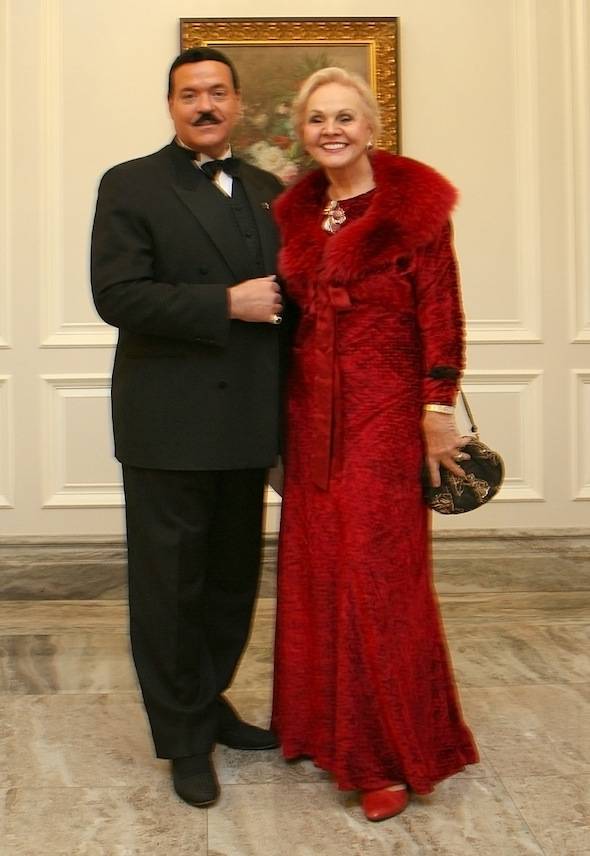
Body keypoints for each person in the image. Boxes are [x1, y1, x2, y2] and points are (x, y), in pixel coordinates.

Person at [271, 67, 479, 822]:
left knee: (378, 578)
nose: (331, 129)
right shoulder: (293, 213)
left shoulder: (415, 210)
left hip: (385, 421)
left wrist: (436, 406)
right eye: (318, 118)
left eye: (345, 117)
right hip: (310, 420)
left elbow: (443, 313)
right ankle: (318, 729)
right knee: (316, 570)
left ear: (371, 127)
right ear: (302, 131)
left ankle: (386, 755)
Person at [90, 47, 284, 808]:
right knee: (171, 590)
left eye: (217, 92)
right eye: (189, 94)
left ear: (237, 102)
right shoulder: (130, 182)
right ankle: (182, 740)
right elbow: (117, 295)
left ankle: (208, 701)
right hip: (168, 424)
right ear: (171, 106)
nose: (204, 105)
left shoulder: (268, 189)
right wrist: (224, 304)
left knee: (232, 582)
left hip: (247, 422)